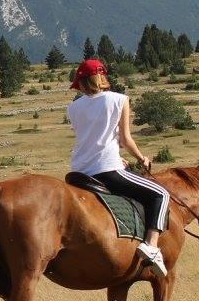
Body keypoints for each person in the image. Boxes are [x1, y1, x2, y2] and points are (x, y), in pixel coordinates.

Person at [66, 58, 170, 276]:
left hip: (79, 170)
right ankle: (151, 246)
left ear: (82, 82)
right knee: (161, 194)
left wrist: (116, 156)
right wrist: (142, 158)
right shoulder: (120, 99)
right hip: (106, 170)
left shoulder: (73, 108)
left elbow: (91, 139)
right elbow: (125, 139)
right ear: (102, 77)